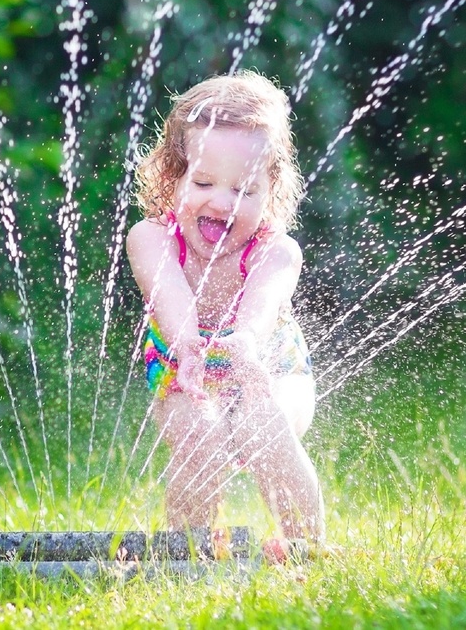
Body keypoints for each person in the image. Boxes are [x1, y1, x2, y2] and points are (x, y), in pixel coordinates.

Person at [126, 70, 324, 545]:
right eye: (204, 182)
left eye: (243, 190)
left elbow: (259, 309)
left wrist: (245, 349)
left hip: (268, 362)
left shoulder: (276, 251)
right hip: (181, 362)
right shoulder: (151, 239)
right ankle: (187, 551)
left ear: (270, 193)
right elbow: (169, 295)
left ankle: (304, 548)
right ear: (172, 177)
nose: (222, 202)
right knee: (199, 441)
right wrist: (189, 343)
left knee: (266, 428)